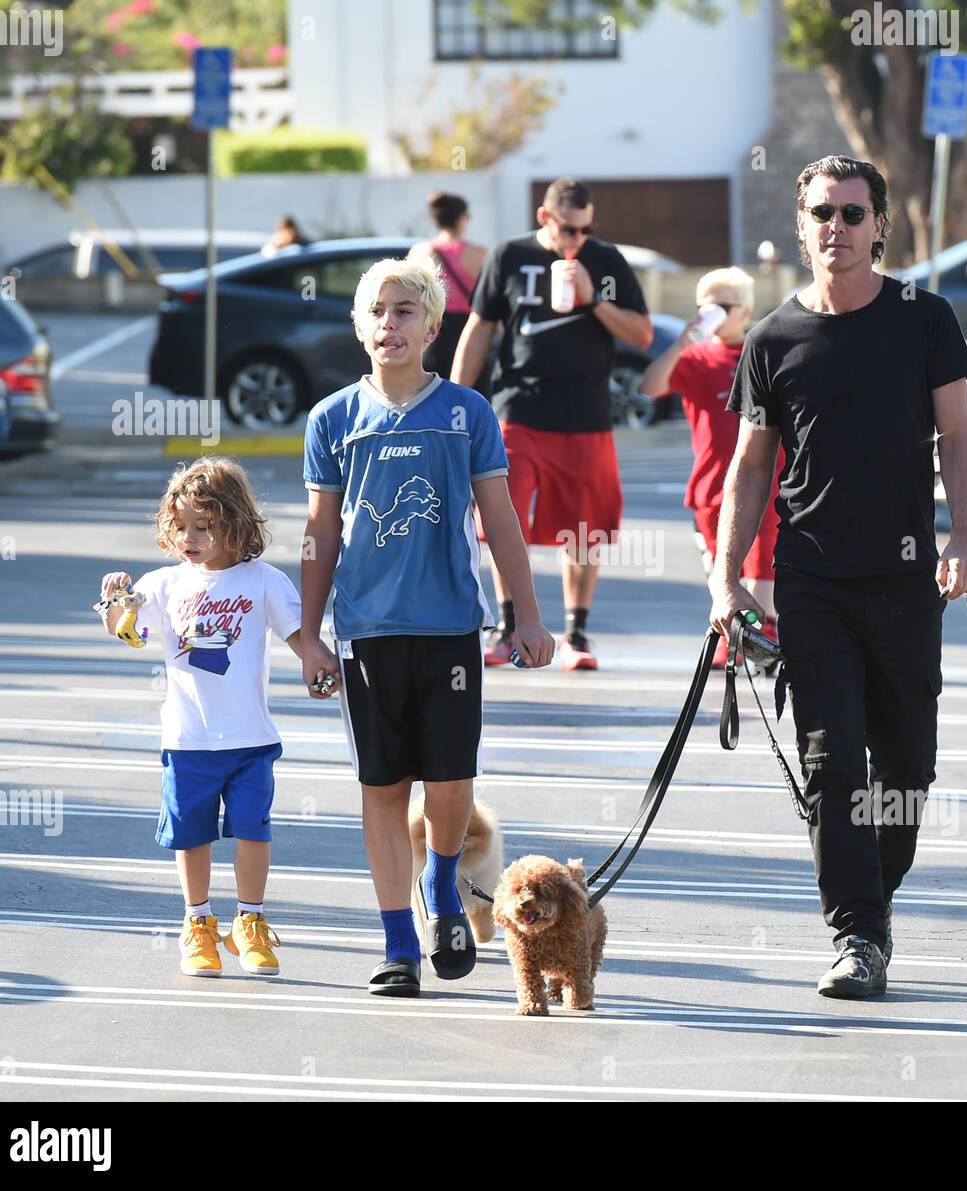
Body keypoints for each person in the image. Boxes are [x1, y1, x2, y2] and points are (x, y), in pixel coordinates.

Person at [708, 155, 967, 999]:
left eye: (852, 213)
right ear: (801, 227)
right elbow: (750, 469)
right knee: (833, 762)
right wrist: (727, 579)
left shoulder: (923, 319)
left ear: (880, 226)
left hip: (906, 581)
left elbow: (957, 441)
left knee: (906, 768)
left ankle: (873, 902)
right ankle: (857, 932)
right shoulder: (773, 339)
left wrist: (963, 539)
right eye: (822, 212)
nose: (837, 227)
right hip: (813, 578)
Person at [300, 257, 554, 998]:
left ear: (434, 324)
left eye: (406, 310)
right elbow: (321, 535)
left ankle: (442, 883)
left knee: (449, 781)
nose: (390, 324)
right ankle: (396, 943)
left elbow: (499, 518)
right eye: (377, 311)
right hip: (366, 632)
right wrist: (310, 635)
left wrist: (527, 616)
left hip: (449, 627)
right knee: (383, 785)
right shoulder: (333, 419)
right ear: (358, 325)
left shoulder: (466, 412)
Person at [96, 457, 307, 979]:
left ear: (235, 523)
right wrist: (113, 603)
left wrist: (325, 668)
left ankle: (251, 922)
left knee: (254, 833)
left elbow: (302, 638)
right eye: (181, 527)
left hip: (251, 739)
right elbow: (129, 633)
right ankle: (198, 925)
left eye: (203, 527)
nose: (189, 538)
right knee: (192, 836)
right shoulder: (164, 583)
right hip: (189, 740)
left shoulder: (264, 581)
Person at [451, 176, 653, 671]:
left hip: (586, 416)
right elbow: (480, 329)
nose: (576, 240)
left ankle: (576, 633)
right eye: (568, 229)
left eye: (585, 230)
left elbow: (644, 335)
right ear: (545, 218)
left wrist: (593, 299)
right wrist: (453, 403)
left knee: (583, 529)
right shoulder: (509, 257)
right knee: (503, 518)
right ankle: (507, 624)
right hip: (518, 410)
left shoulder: (606, 262)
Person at [640, 265, 782, 667]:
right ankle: (734, 633)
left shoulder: (763, 352)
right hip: (710, 484)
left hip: (766, 478)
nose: (713, 312)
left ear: (745, 310)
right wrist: (682, 342)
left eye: (723, 305)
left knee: (763, 556)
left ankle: (764, 630)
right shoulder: (696, 356)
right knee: (722, 563)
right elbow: (651, 387)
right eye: (705, 305)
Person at [408, 191, 488, 379]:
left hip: (431, 332)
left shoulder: (419, 252)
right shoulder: (478, 254)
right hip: (468, 335)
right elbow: (491, 298)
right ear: (462, 219)